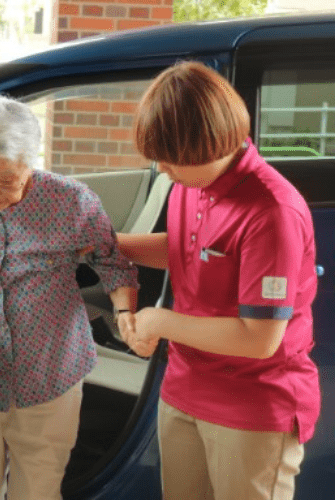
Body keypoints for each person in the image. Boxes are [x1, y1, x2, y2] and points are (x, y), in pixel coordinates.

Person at [118, 61, 321, 500]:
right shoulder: (191, 181)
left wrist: (157, 321)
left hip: (253, 405)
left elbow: (259, 338)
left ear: (205, 147)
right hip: (185, 388)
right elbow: (187, 249)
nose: (164, 170)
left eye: (171, 160)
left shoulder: (272, 212)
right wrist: (117, 245)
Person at [0, 95, 138, 500]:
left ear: (32, 162)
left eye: (7, 180)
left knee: (39, 490)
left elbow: (114, 264)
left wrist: (125, 314)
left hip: (50, 375)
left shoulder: (70, 201)